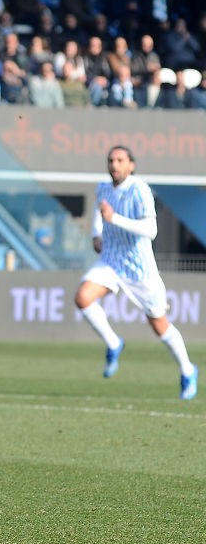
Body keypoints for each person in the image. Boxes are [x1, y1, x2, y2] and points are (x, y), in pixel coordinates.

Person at [74, 146, 198, 400]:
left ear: (131, 165)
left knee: (159, 325)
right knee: (83, 297)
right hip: (111, 261)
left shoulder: (139, 190)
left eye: (120, 160)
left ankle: (187, 370)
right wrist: (97, 235)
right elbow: (101, 216)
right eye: (111, 160)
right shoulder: (103, 188)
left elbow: (150, 230)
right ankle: (113, 343)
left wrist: (115, 219)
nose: (114, 165)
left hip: (139, 269)